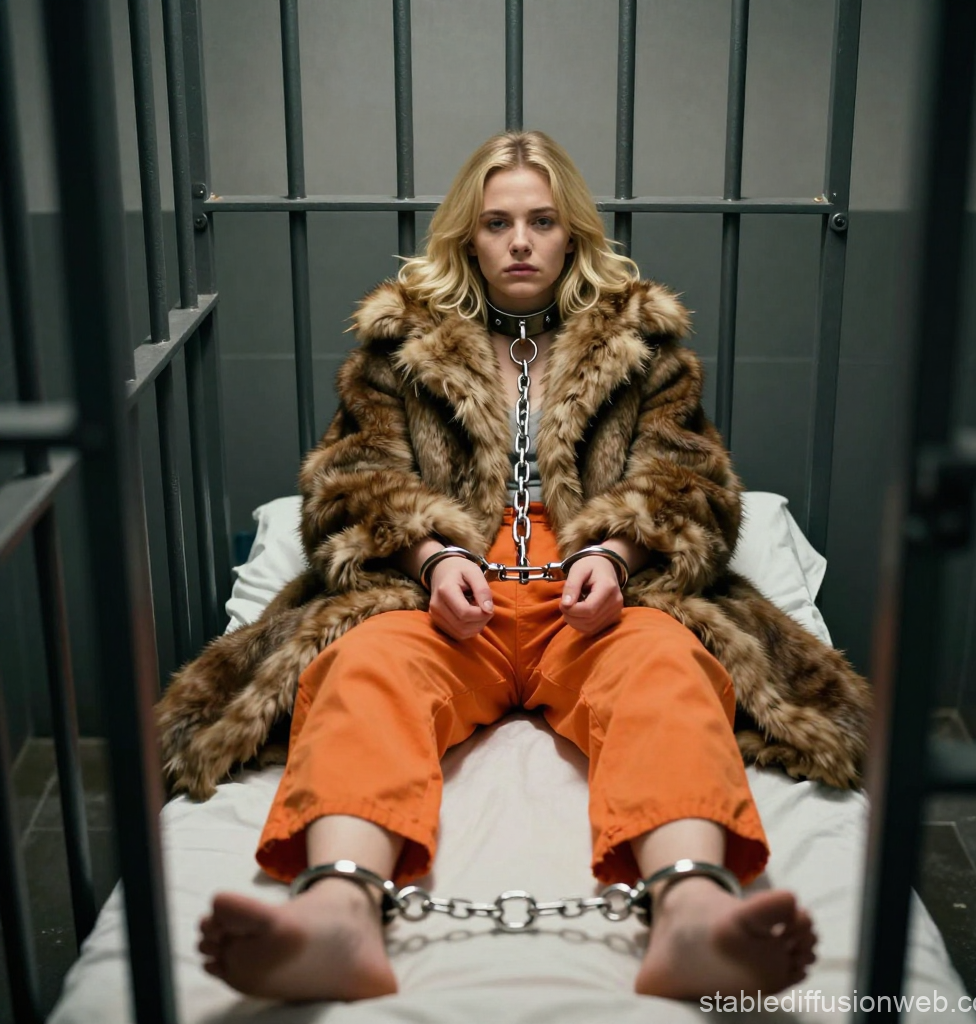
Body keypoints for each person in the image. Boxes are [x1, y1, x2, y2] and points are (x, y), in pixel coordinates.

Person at [172, 130, 872, 1004]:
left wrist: (616, 553)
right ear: (467, 237)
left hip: (598, 592)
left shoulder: (641, 345)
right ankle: (336, 916)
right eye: (497, 222)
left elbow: (691, 480)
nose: (520, 242)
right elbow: (349, 482)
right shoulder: (402, 348)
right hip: (438, 594)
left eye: (541, 221)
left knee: (667, 667)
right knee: (364, 668)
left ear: (572, 233)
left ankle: (693, 912)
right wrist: (431, 557)